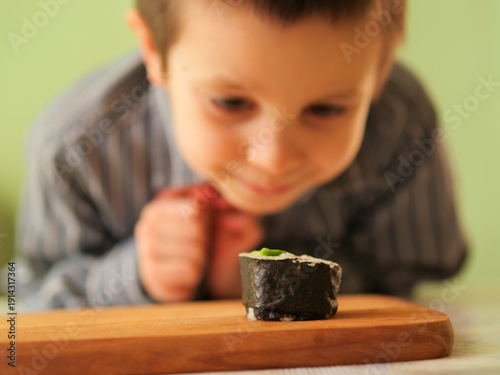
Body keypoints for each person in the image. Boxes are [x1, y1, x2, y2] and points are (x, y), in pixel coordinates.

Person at [15, 0, 467, 311]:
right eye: (231, 103)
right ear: (153, 48)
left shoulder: (401, 126)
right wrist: (134, 276)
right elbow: (25, 308)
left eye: (327, 109)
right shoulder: (76, 150)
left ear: (380, 69)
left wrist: (270, 283)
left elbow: (412, 286)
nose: (272, 159)